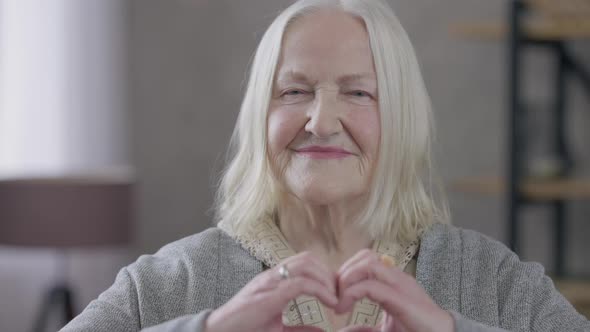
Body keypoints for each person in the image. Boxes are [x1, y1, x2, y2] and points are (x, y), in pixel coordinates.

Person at [61, 0, 590, 331]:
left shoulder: (495, 281)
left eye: (359, 92)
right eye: (294, 91)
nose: (321, 120)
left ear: (401, 116)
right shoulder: (166, 282)